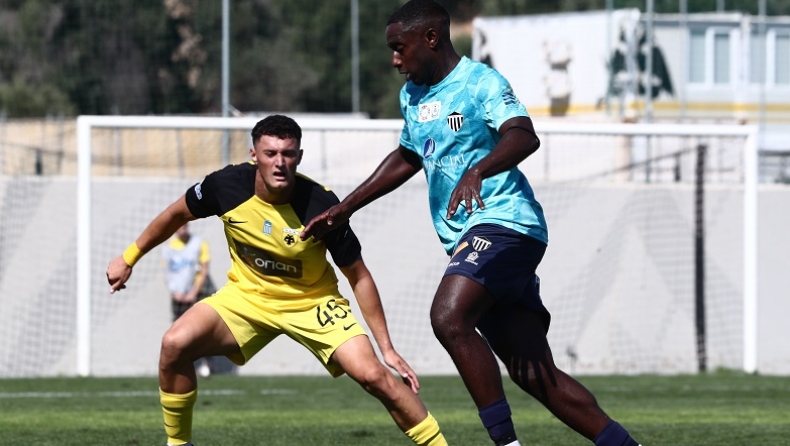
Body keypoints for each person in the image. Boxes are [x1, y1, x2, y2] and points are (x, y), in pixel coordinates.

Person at [300, 1, 641, 446]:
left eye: (400, 48)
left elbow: (523, 134)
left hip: (507, 224)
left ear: (431, 38)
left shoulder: (481, 82)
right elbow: (408, 155)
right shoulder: (412, 96)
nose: (395, 60)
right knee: (534, 373)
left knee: (448, 316)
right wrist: (346, 207)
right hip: (469, 236)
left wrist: (479, 169)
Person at [106, 114, 447, 446]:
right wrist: (128, 257)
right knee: (174, 343)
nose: (279, 162)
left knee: (374, 376)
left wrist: (387, 348)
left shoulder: (321, 205)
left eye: (288, 154)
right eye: (270, 153)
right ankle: (179, 443)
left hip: (314, 303)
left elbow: (358, 276)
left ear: (299, 156)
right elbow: (175, 214)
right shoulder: (225, 187)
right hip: (247, 298)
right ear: (254, 155)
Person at [161, 222, 216, 377]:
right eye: (179, 225)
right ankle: (180, 365)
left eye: (184, 225)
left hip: (196, 295)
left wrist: (194, 292)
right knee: (178, 331)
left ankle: (208, 365)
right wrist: (174, 292)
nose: (182, 228)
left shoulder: (199, 243)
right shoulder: (168, 247)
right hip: (178, 297)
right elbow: (167, 272)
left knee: (202, 331)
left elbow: (204, 270)